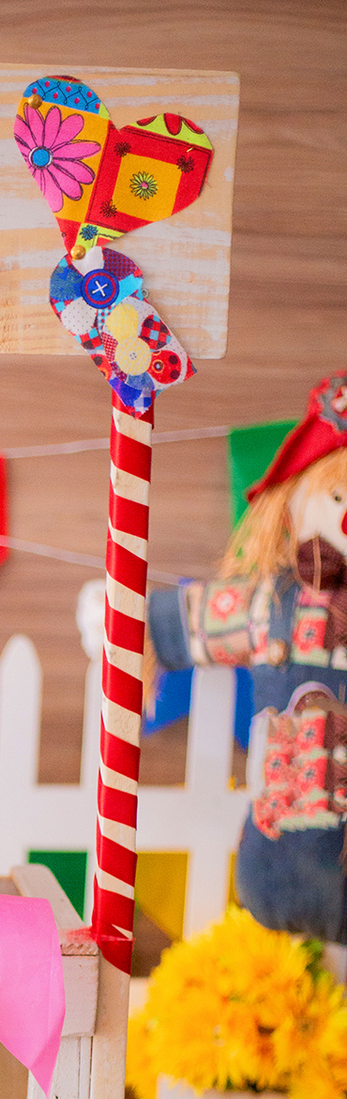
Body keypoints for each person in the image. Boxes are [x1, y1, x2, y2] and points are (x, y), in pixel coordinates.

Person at [147, 372, 347, 941]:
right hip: (281, 854)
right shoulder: (271, 602)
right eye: (337, 498)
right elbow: (181, 623)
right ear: (295, 504)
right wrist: (120, 620)